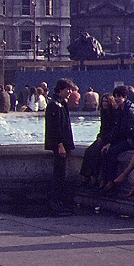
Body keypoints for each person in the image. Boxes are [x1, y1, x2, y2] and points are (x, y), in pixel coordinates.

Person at [96, 85, 134, 193]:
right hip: (127, 136)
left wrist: (112, 143)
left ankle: (110, 181)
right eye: (115, 96)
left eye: (119, 96)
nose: (116, 98)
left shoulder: (130, 110)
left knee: (112, 152)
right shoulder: (121, 108)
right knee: (106, 151)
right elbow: (116, 129)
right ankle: (104, 179)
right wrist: (109, 142)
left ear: (125, 97)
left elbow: (126, 130)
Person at [45, 78, 78, 215]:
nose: (70, 92)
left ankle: (59, 201)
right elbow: (55, 128)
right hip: (59, 145)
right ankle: (55, 202)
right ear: (60, 89)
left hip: (63, 143)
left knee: (60, 174)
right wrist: (60, 145)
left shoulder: (61, 103)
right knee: (58, 174)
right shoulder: (54, 105)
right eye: (68, 89)